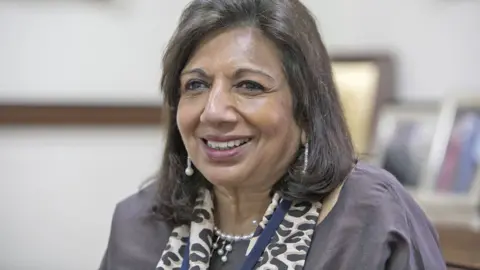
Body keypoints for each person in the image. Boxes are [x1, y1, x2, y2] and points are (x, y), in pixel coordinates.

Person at [99, 0, 446, 269]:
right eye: (197, 85)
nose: (214, 111)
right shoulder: (138, 225)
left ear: (305, 107)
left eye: (249, 85)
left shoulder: (372, 217)